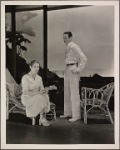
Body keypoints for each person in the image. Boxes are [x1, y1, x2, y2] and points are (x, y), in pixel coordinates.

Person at [60, 31, 87, 122]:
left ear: (71, 38)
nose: (64, 39)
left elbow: (83, 58)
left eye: (66, 38)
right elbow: (68, 60)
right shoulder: (67, 47)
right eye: (63, 38)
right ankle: (68, 113)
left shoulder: (74, 46)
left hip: (73, 69)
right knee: (67, 91)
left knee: (74, 92)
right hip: (68, 69)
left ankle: (76, 115)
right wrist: (66, 70)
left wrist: (78, 69)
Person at [21, 60, 51, 126]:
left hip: (37, 96)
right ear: (30, 67)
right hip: (27, 98)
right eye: (35, 67)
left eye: (38, 67)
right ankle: (42, 118)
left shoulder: (39, 78)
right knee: (40, 97)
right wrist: (38, 92)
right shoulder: (25, 78)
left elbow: (42, 89)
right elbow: (26, 92)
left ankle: (42, 117)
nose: (37, 69)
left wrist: (46, 90)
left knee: (45, 95)